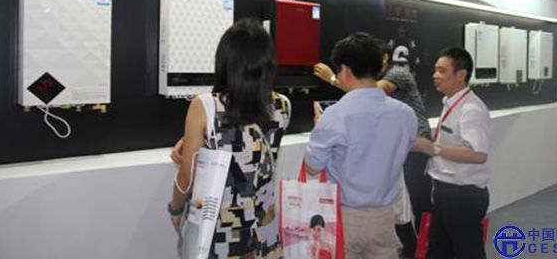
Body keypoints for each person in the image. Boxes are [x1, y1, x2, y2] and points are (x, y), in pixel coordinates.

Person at [168, 18, 291, 259]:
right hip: (264, 231)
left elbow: (187, 176)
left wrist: (175, 208)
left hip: (219, 235)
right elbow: (251, 140)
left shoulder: (205, 105)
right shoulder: (283, 106)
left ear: (225, 61)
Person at [314, 40, 433, 258]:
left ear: (345, 70)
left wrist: (321, 126)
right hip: (384, 217)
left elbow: (313, 165)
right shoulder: (406, 114)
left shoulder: (334, 115)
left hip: (345, 217)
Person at [414, 47, 490, 259]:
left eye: (442, 71)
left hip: (463, 195)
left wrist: (434, 148)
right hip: (445, 191)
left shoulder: (471, 109)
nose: (435, 75)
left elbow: (478, 154)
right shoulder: (451, 102)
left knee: (468, 252)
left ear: (461, 75)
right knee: (438, 249)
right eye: (435, 70)